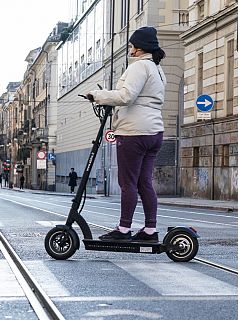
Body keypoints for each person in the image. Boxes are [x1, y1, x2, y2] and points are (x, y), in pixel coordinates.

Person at [86, 26, 166, 242]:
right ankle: (150, 230)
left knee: (128, 183)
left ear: (139, 48)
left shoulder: (139, 67)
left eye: (132, 46)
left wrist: (98, 95)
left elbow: (126, 96)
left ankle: (123, 229)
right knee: (144, 183)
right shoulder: (158, 69)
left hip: (134, 132)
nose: (130, 50)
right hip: (154, 132)